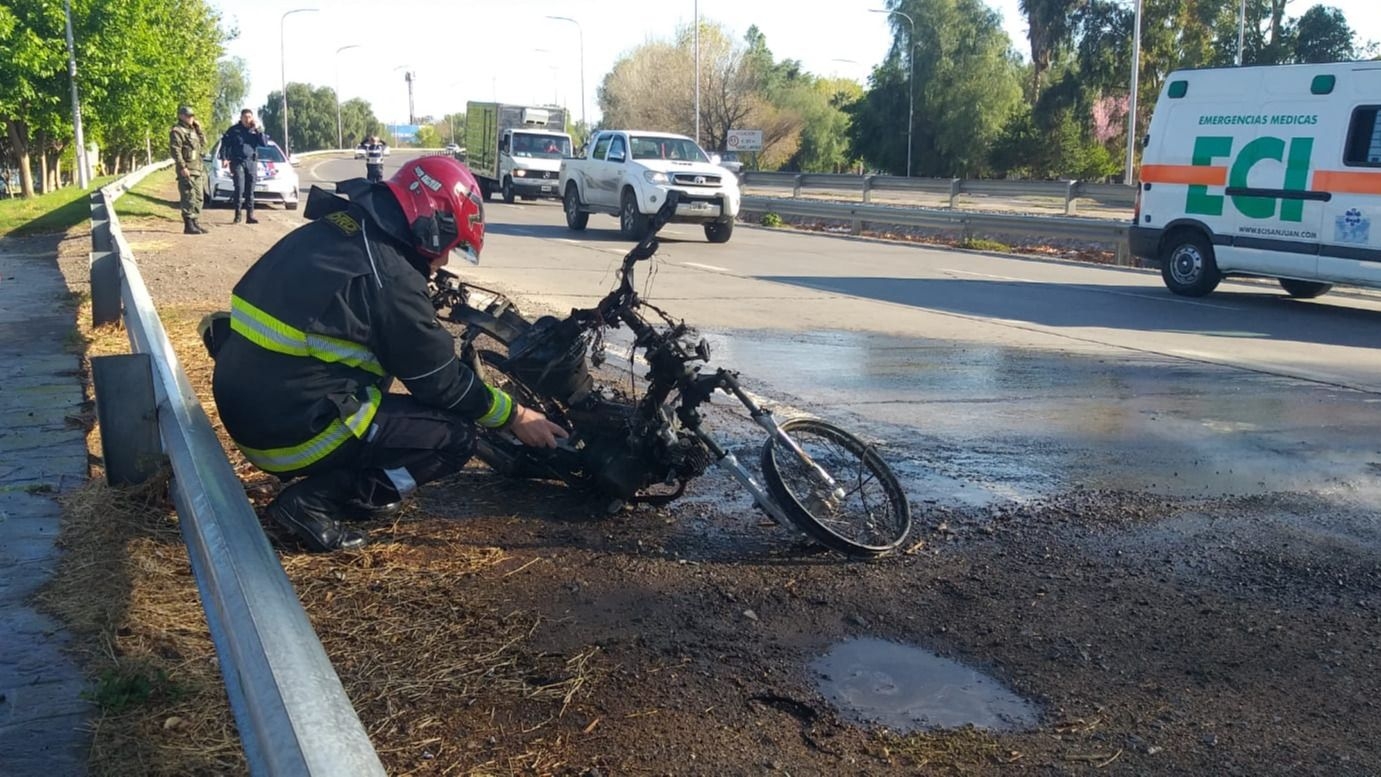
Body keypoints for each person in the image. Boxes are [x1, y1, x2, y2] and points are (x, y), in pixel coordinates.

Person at [204, 156, 567, 552]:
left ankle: (341, 485)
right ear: (432, 224)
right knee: (456, 438)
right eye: (448, 246)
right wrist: (515, 415)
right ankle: (314, 503)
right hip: (287, 435)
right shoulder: (390, 277)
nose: (444, 260)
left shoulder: (341, 229)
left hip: (251, 404)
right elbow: (442, 385)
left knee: (374, 379)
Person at [219, 108, 267, 224]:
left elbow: (264, 143)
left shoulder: (255, 131)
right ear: (241, 118)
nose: (247, 119)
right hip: (237, 162)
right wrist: (225, 158)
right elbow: (225, 144)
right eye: (245, 117)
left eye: (249, 117)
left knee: (250, 191)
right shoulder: (233, 130)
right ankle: (238, 215)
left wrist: (257, 130)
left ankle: (250, 216)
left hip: (251, 162)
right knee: (239, 188)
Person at [169, 105, 208, 235]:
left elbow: (203, 144)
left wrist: (199, 129)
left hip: (197, 168)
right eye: (188, 116)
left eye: (192, 116)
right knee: (188, 197)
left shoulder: (194, 131)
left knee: (199, 197)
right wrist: (182, 167)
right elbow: (176, 150)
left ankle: (195, 222)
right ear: (181, 116)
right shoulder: (177, 131)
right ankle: (188, 225)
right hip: (187, 169)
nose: (191, 118)